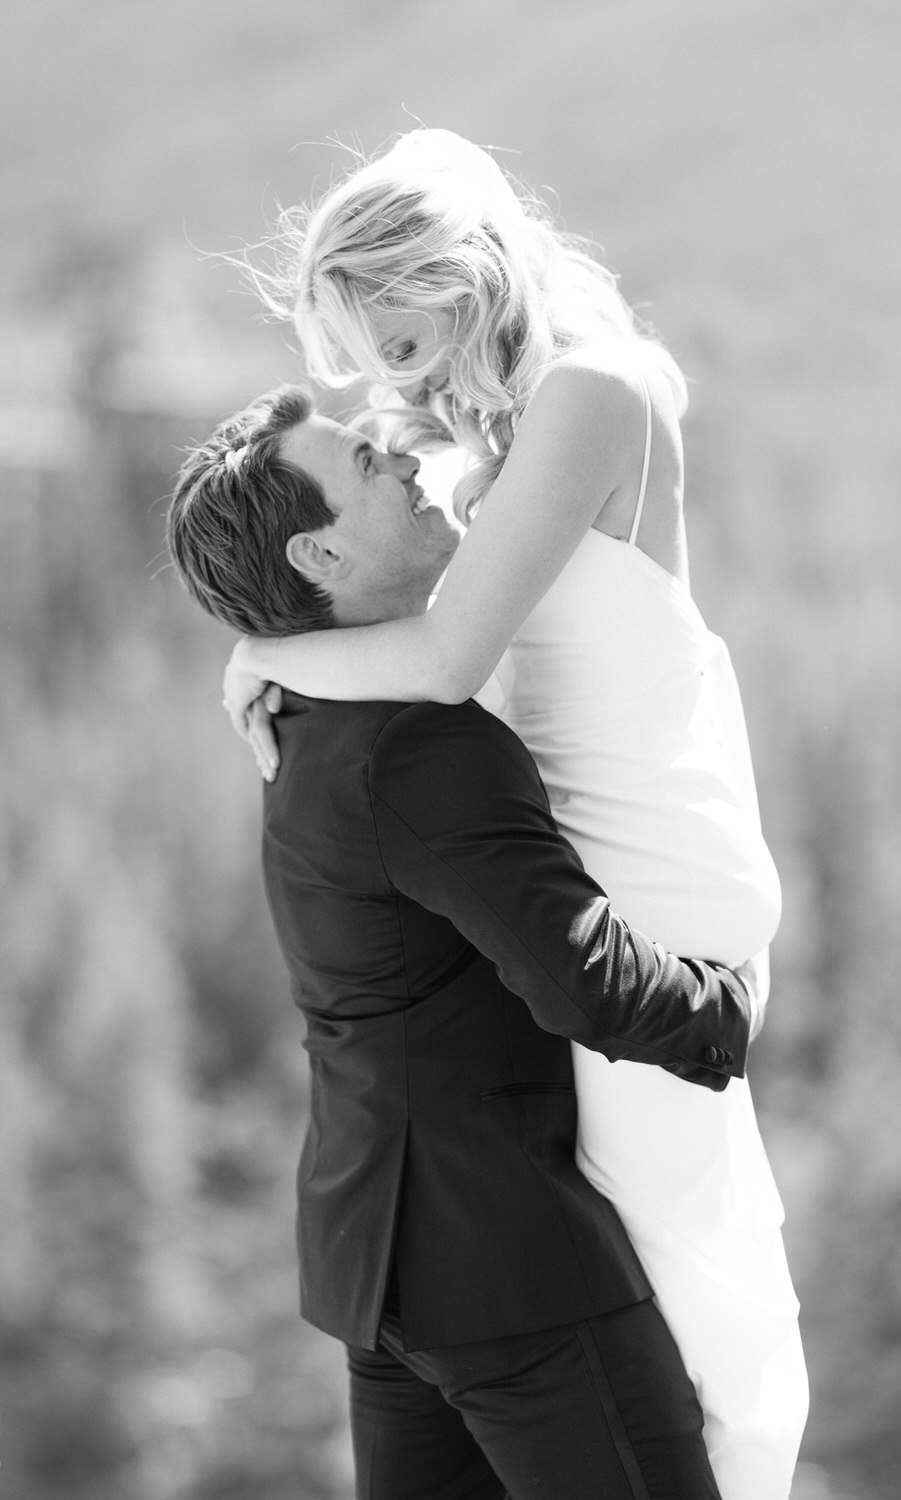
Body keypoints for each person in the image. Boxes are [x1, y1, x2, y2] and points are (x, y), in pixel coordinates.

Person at [220, 130, 809, 1495]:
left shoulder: (594, 394)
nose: (390, 384)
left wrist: (261, 655)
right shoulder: (481, 433)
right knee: (651, 1263)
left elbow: (441, 660)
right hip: (585, 867)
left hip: (652, 873)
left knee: (685, 1273)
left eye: (400, 343)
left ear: (463, 274)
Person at [166, 382, 761, 1500]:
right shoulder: (412, 743)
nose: (398, 461)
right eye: (364, 465)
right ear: (319, 558)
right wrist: (730, 1005)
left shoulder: (303, 720)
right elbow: (578, 981)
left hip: (373, 1270)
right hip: (508, 1269)